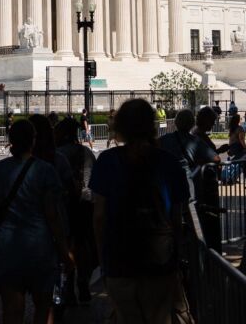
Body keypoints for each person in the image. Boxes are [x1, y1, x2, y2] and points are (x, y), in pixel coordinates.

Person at [90, 99, 192, 324]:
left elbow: (99, 217)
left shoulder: (107, 161)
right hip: (159, 257)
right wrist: (178, 256)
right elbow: (176, 217)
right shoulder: (168, 162)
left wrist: (102, 259)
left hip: (119, 257)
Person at [0, 119, 72, 324]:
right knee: (43, 308)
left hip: (7, 244)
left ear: (10, 141)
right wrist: (64, 250)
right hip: (40, 244)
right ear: (33, 141)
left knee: (12, 310)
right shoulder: (45, 170)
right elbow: (53, 215)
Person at [55, 117, 97, 305]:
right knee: (83, 245)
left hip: (63, 205)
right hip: (85, 203)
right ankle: (84, 282)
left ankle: (69, 285)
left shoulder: (57, 154)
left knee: (66, 244)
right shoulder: (86, 152)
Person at [191, 106, 226, 252]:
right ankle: (211, 248)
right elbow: (210, 157)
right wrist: (216, 155)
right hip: (205, 184)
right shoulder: (198, 136)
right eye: (211, 121)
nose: (213, 124)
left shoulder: (197, 134)